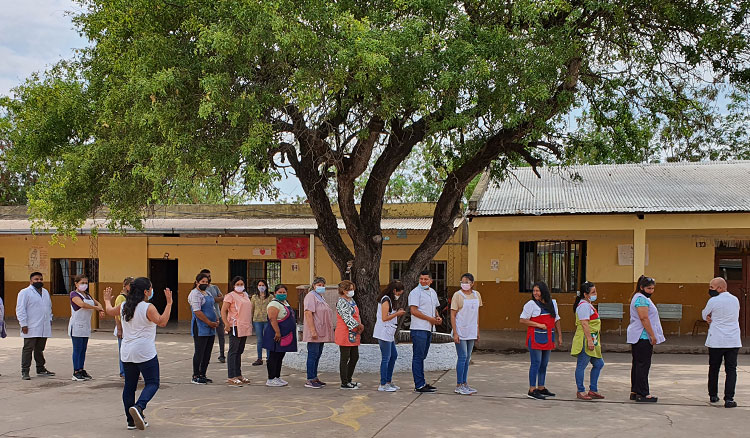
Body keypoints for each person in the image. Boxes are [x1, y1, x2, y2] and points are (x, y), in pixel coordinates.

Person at [103, 277, 172, 430]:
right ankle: (139, 407)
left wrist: (107, 300)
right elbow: (162, 322)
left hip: (127, 351)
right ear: (146, 291)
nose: (152, 291)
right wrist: (169, 303)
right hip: (144, 351)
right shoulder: (148, 307)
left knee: (129, 386)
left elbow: (108, 311)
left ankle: (130, 421)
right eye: (151, 288)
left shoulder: (123, 306)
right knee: (153, 383)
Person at [519, 281, 563, 400]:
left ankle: (541, 387)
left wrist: (559, 335)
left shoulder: (552, 303)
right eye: (534, 291)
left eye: (537, 291)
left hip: (548, 337)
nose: (535, 293)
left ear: (544, 291)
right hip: (535, 337)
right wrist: (538, 324)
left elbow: (556, 320)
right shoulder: (531, 304)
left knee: (544, 364)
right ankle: (532, 389)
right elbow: (522, 320)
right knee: (536, 363)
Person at [702, 277, 741, 408]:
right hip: (733, 340)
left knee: (714, 368)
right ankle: (729, 399)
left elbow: (704, 313)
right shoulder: (735, 299)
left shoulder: (713, 300)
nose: (710, 290)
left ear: (720, 288)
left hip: (716, 340)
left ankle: (713, 395)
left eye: (712, 287)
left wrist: (707, 317)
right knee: (731, 370)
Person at [627, 275, 666, 403]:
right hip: (642, 336)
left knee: (638, 364)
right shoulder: (641, 299)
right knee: (643, 365)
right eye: (649, 288)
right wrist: (652, 335)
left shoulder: (639, 298)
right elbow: (644, 318)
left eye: (653, 288)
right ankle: (643, 393)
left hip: (639, 336)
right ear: (642, 287)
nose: (651, 291)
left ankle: (635, 391)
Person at [16, 272, 55, 380]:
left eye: (41, 279)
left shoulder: (46, 292)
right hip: (31, 326)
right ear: (31, 281)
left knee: (40, 349)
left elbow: (49, 307)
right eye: (36, 279)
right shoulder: (25, 292)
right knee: (28, 348)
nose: (39, 281)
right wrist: (23, 324)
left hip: (44, 326)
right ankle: (25, 371)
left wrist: (50, 318)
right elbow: (20, 309)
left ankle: (40, 368)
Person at [409, 270, 442, 393]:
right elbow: (414, 311)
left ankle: (422, 381)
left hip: (429, 328)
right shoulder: (415, 293)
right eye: (421, 279)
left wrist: (437, 317)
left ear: (431, 281)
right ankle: (419, 385)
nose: (423, 281)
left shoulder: (432, 292)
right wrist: (430, 319)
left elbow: (434, 309)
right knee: (418, 356)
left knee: (423, 356)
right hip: (419, 328)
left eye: (426, 279)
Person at [571, 281, 605, 401]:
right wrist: (589, 341)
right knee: (582, 365)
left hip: (593, 340)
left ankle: (593, 389)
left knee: (599, 364)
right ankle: (580, 391)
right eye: (593, 292)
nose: (595, 294)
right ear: (585, 294)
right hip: (586, 339)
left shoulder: (588, 304)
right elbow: (585, 324)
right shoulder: (584, 306)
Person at [68, 274, 105, 381]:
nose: (84, 285)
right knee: (77, 349)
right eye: (82, 283)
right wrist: (96, 308)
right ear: (76, 283)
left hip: (85, 325)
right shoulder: (74, 294)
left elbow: (97, 303)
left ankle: (81, 369)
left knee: (83, 349)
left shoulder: (88, 295)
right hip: (77, 326)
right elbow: (82, 305)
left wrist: (101, 309)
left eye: (86, 283)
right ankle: (76, 371)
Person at [451, 273, 482, 396]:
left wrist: (477, 330)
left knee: (468, 357)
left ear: (472, 283)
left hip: (471, 330)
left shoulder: (476, 295)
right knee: (462, 356)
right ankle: (459, 384)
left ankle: (465, 383)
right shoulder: (457, 295)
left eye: (467, 282)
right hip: (460, 330)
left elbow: (477, 314)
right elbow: (453, 315)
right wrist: (455, 333)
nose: (464, 284)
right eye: (462, 281)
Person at [221, 276, 253, 387]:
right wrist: (226, 323)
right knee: (233, 351)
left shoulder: (245, 295)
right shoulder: (230, 296)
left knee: (240, 350)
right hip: (235, 325)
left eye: (242, 284)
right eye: (238, 284)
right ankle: (231, 376)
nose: (240, 286)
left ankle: (238, 374)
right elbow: (223, 311)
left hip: (244, 325)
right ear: (233, 285)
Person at [374, 281, 406, 392]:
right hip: (383, 332)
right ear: (394, 291)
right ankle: (383, 384)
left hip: (389, 332)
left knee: (393, 355)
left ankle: (388, 380)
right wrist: (397, 314)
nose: (399, 296)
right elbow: (384, 317)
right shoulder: (385, 300)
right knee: (386, 358)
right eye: (399, 293)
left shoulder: (390, 300)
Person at [302, 276, 334, 388]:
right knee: (312, 354)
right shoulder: (311, 296)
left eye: (323, 285)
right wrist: (312, 331)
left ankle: (315, 377)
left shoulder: (320, 297)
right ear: (314, 286)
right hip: (315, 331)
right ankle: (310, 379)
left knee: (317, 355)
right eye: (319, 285)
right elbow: (308, 313)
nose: (321, 287)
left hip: (322, 331)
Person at [263, 284, 297, 387]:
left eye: (284, 292)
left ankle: (277, 377)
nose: (282, 294)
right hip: (275, 334)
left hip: (285, 335)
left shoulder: (285, 303)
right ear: (275, 293)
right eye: (280, 292)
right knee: (273, 356)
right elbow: (273, 319)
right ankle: (271, 378)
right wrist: (277, 332)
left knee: (280, 356)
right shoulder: (273, 304)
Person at [189, 272, 219, 384]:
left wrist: (216, 319)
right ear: (197, 282)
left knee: (207, 352)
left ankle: (203, 374)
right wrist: (208, 322)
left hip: (211, 327)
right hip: (200, 326)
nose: (204, 284)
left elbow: (212, 307)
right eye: (202, 282)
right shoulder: (194, 294)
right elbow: (197, 311)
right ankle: (196, 375)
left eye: (206, 282)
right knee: (199, 352)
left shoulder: (207, 293)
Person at [335, 280, 364, 389]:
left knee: (354, 356)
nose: (352, 291)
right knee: (345, 357)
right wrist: (358, 326)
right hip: (345, 332)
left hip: (354, 332)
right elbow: (347, 318)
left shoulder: (351, 300)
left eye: (352, 289)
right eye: (349, 289)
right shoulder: (341, 302)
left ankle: (349, 379)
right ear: (343, 290)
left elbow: (356, 315)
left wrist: (359, 325)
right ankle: (344, 382)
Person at [200, 268, 226, 363]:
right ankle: (203, 355)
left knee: (221, 336)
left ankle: (222, 354)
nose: (208, 278)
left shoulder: (214, 287)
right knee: (206, 337)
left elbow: (221, 297)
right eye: (205, 277)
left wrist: (213, 299)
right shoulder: (199, 290)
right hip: (206, 316)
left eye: (209, 276)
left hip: (217, 315)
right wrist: (214, 299)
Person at [250, 279, 274, 366]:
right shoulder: (254, 297)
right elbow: (251, 309)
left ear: (266, 286)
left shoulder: (270, 297)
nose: (261, 287)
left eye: (263, 285)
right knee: (259, 340)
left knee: (268, 339)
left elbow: (273, 308)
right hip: (257, 320)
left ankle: (269, 358)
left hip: (267, 320)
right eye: (259, 285)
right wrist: (250, 320)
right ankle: (259, 358)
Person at [115, 277, 134, 378]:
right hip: (122, 328)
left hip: (130, 329)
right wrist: (119, 329)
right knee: (123, 351)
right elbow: (117, 315)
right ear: (126, 286)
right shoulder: (121, 298)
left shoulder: (131, 298)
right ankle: (123, 371)